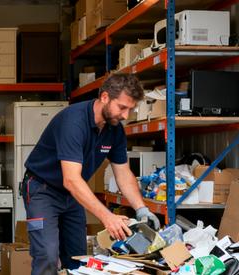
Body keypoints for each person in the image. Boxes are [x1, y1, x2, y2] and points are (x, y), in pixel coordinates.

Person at [20, 73, 161, 274]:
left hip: (72, 194)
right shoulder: (73, 122)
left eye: (131, 109)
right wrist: (108, 217)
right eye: (122, 107)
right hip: (43, 190)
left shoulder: (114, 130)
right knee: (47, 256)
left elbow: (123, 172)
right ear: (104, 97)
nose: (125, 116)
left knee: (78, 258)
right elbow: (71, 179)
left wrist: (141, 209)